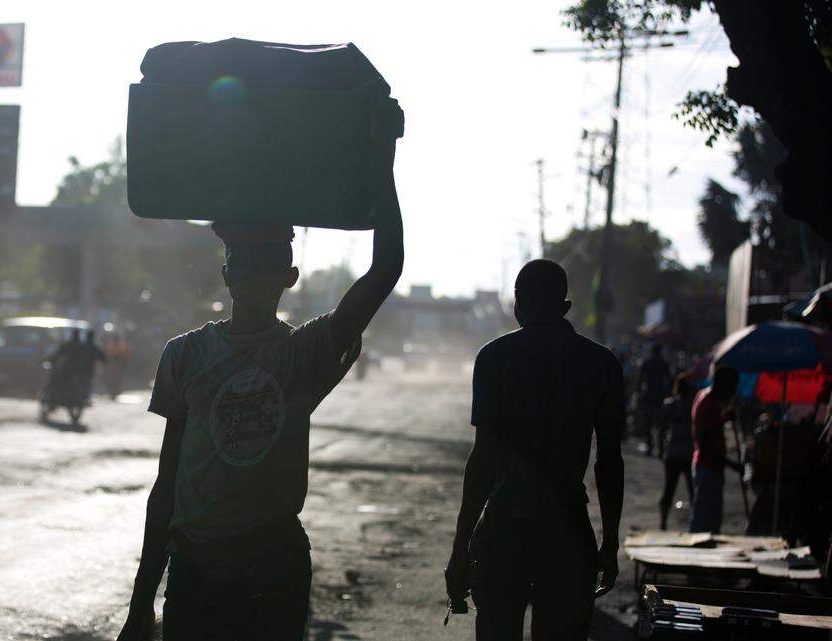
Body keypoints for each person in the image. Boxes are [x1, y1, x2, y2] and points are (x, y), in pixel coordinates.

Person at [116, 153, 403, 641]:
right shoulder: (184, 355)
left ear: (288, 277)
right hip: (194, 566)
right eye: (242, 264)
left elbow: (385, 269)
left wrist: (381, 167)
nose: (253, 274)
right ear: (226, 275)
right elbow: (167, 485)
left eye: (266, 263)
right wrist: (140, 604)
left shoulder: (302, 352)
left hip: (271, 566)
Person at [444, 259, 625, 641]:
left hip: (506, 530)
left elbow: (483, 461)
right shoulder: (600, 364)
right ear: (566, 307)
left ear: (516, 305)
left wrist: (460, 547)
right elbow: (608, 461)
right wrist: (610, 542)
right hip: (567, 533)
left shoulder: (494, 358)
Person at [689, 365, 739, 534]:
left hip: (708, 467)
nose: (733, 392)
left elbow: (711, 429)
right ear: (723, 385)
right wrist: (732, 465)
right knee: (705, 522)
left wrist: (724, 418)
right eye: (732, 387)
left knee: (707, 519)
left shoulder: (705, 398)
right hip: (708, 467)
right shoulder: (708, 404)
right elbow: (707, 443)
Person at [658, 372, 696, 530]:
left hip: (673, 453)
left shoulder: (669, 405)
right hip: (688, 453)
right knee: (693, 491)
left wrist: (660, 448)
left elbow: (661, 429)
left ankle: (663, 523)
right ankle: (695, 523)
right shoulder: (692, 405)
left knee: (669, 489)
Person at [639, 344, 671, 456]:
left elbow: (641, 379)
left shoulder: (647, 363)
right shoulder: (664, 363)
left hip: (648, 396)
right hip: (660, 396)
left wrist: (640, 394)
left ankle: (650, 447)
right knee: (660, 423)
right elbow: (668, 380)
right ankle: (661, 449)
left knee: (648, 423)